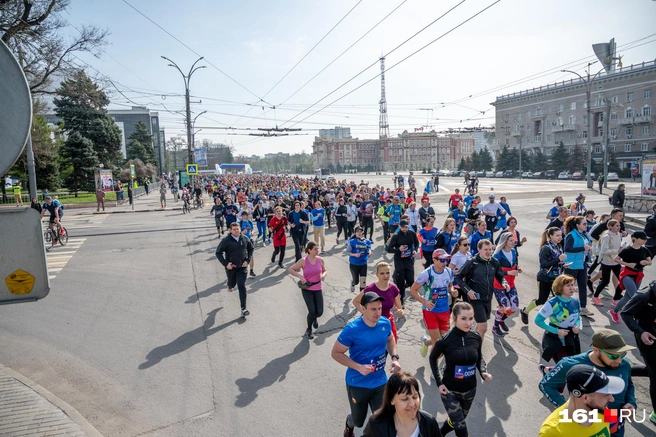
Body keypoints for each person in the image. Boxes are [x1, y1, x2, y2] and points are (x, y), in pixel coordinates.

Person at [539, 329, 637, 437]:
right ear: (596, 350)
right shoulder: (571, 364)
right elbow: (546, 384)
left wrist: (631, 402)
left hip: (614, 420)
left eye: (622, 355)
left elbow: (629, 385)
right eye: (613, 356)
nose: (619, 360)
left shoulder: (624, 365)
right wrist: (569, 409)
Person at [331, 292, 402, 437]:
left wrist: (394, 358)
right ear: (363, 309)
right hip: (358, 383)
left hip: (380, 382)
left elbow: (390, 339)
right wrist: (358, 367)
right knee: (358, 421)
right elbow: (336, 353)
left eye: (379, 308)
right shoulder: (352, 329)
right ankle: (349, 424)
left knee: (383, 418)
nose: (377, 313)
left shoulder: (384, 323)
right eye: (373, 309)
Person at [430, 302, 491, 437]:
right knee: (461, 428)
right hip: (450, 391)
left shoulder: (475, 338)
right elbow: (432, 359)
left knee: (457, 420)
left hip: (470, 390)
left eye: (471, 318)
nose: (468, 323)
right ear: (454, 317)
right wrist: (439, 383)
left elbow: (479, 358)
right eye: (463, 318)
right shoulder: (445, 341)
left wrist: (483, 372)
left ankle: (440, 433)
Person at [538, 364, 625, 437]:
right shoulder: (552, 432)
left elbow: (612, 429)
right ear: (585, 398)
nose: (612, 399)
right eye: (606, 395)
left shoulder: (604, 409)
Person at [455, 239, 508, 340]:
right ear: (479, 249)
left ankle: (468, 341)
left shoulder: (494, 262)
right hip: (475, 299)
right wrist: (468, 291)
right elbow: (458, 277)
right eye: (485, 249)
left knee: (479, 327)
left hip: (487, 298)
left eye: (490, 249)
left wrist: (504, 283)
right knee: (483, 328)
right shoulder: (472, 262)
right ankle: (477, 353)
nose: (488, 252)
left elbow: (500, 276)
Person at [362, 372, 442, 437]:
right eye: (405, 399)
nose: (412, 404)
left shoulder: (429, 423)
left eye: (414, 397)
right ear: (391, 400)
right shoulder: (377, 424)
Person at [620, 281, 656, 425]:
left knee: (651, 370)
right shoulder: (644, 295)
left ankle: (619, 369)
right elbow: (626, 313)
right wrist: (640, 332)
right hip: (648, 337)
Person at [410, 249, 457, 357]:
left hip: (445, 310)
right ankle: (434, 371)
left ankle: (426, 342)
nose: (445, 262)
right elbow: (413, 290)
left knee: (445, 342)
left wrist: (452, 290)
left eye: (446, 260)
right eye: (442, 260)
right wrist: (425, 302)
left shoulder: (449, 271)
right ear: (434, 260)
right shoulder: (426, 274)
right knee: (438, 343)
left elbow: (450, 285)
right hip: (430, 311)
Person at [535, 274, 581, 371]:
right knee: (565, 366)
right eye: (568, 285)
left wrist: (577, 326)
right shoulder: (552, 303)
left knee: (572, 365)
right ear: (560, 287)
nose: (571, 288)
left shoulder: (575, 301)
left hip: (570, 338)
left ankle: (547, 370)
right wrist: (556, 331)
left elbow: (578, 317)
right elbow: (538, 321)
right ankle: (550, 381)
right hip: (555, 339)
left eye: (572, 285)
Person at [521, 227, 567, 324]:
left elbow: (556, 263)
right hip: (545, 278)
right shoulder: (546, 248)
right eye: (557, 235)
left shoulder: (559, 246)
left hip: (556, 278)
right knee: (542, 300)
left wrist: (563, 264)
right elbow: (544, 265)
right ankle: (525, 311)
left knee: (559, 299)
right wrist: (559, 259)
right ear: (550, 236)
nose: (560, 237)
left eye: (561, 235)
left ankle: (556, 321)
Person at [353, 262, 404, 343]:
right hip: (372, 324)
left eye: (387, 273)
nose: (385, 276)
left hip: (387, 322)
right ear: (376, 274)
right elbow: (355, 301)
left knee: (390, 347)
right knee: (375, 350)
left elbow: (400, 308)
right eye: (382, 273)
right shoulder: (371, 288)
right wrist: (365, 313)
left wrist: (401, 312)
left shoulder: (393, 288)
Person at [610, 231, 652, 323]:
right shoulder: (628, 250)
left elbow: (650, 261)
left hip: (638, 275)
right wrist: (627, 264)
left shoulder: (645, 250)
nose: (645, 241)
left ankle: (614, 311)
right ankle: (639, 316)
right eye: (642, 239)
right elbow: (616, 259)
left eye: (645, 239)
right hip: (627, 274)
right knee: (635, 296)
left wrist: (646, 262)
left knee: (627, 297)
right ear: (635, 239)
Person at [288, 242, 327, 339]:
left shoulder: (320, 260)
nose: (317, 251)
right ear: (309, 250)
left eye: (318, 249)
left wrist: (323, 275)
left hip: (318, 287)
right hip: (307, 289)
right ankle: (308, 329)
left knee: (320, 312)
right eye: (315, 249)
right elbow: (291, 269)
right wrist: (300, 276)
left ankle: (314, 318)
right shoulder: (303, 260)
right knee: (312, 310)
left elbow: (325, 270)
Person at [215, 222, 254, 317]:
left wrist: (248, 260)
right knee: (232, 284)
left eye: (238, 228)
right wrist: (225, 264)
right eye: (234, 229)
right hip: (231, 268)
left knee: (242, 286)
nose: (237, 230)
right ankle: (230, 285)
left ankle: (243, 308)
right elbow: (218, 253)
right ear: (230, 230)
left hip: (242, 267)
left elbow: (251, 249)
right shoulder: (226, 240)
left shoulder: (245, 238)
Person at [491, 232, 521, 336]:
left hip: (511, 283)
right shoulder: (497, 254)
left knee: (515, 307)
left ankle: (501, 320)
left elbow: (514, 264)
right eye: (511, 240)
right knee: (503, 306)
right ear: (505, 241)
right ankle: (495, 326)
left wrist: (517, 269)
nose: (514, 242)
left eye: (514, 240)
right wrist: (508, 272)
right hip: (499, 284)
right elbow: (493, 271)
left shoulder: (513, 251)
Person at [563, 216, 593, 318]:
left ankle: (583, 308)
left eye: (586, 224)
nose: (586, 226)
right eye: (584, 224)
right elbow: (567, 249)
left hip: (582, 263)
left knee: (582, 285)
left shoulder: (584, 235)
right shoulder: (571, 235)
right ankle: (564, 307)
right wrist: (582, 248)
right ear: (577, 225)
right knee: (568, 286)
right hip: (572, 265)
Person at [387, 220, 419, 306]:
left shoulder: (411, 233)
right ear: (400, 227)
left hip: (409, 260)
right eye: (403, 227)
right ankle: (401, 300)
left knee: (411, 281)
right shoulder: (396, 236)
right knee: (401, 282)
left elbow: (416, 243)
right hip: (399, 261)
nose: (405, 229)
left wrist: (415, 250)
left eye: (406, 227)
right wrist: (398, 249)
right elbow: (389, 249)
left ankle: (399, 287)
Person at [591, 219, 622, 307]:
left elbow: (618, 246)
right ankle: (595, 296)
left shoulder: (618, 234)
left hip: (616, 261)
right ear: (610, 227)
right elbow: (604, 250)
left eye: (619, 225)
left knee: (621, 280)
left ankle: (616, 299)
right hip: (607, 262)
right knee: (605, 281)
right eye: (616, 226)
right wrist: (616, 250)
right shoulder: (607, 236)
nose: (619, 227)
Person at [348, 226, 373, 293]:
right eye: (357, 232)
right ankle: (353, 283)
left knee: (363, 282)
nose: (359, 233)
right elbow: (348, 252)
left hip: (363, 264)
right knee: (356, 281)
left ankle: (361, 298)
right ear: (355, 232)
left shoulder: (367, 241)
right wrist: (355, 255)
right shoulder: (352, 242)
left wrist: (369, 252)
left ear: (363, 232)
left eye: (360, 231)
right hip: (354, 264)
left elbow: (369, 248)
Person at [238, 211, 257, 277]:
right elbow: (236, 233)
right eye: (247, 215)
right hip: (242, 241)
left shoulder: (250, 222)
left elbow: (252, 229)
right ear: (243, 216)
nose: (248, 216)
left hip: (250, 241)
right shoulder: (239, 223)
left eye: (248, 215)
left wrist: (252, 232)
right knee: (242, 256)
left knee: (251, 255)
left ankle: (251, 270)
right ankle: (240, 270)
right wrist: (242, 232)